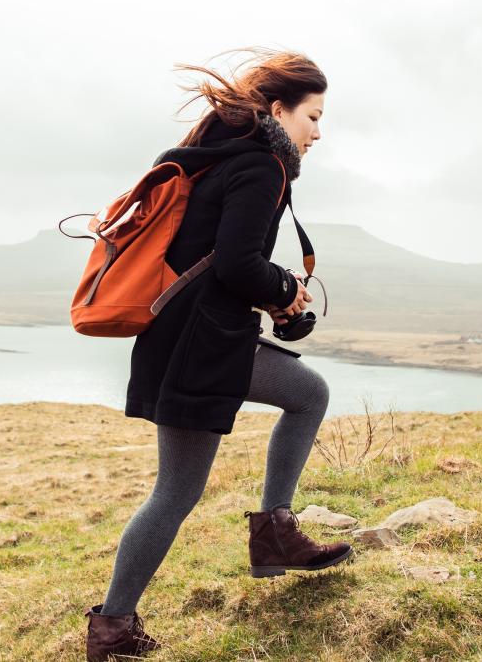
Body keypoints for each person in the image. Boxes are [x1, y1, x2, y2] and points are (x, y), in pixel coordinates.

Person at [83, 46, 353, 661]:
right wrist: (285, 290)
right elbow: (235, 263)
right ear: (280, 111)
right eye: (313, 117)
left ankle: (274, 537)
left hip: (188, 336)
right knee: (177, 490)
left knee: (306, 394)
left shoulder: (223, 158)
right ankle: (114, 629)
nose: (318, 132)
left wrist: (275, 295)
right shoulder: (262, 165)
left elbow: (222, 262)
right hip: (199, 347)